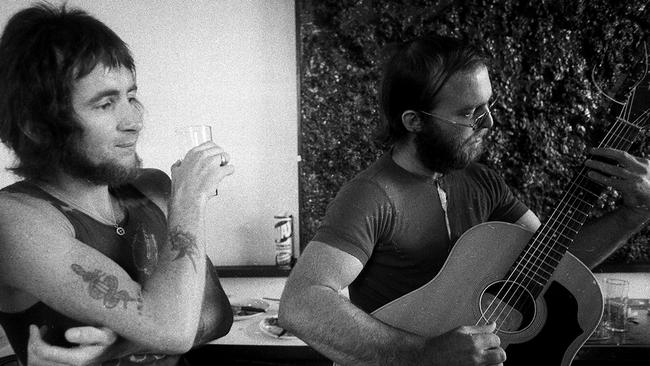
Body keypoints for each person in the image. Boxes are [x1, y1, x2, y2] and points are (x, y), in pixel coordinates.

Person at [279, 34, 650, 365]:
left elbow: (556, 265)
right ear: (414, 121)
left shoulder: (482, 181)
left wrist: (635, 214)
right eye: (469, 113)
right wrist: (424, 353)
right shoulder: (371, 196)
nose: (488, 122)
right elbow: (300, 305)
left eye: (487, 105)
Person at [0, 3, 235, 365]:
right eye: (106, 104)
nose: (134, 121)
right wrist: (189, 202)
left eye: (130, 96)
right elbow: (175, 329)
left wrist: (122, 344)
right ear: (37, 126)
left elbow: (218, 315)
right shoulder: (15, 219)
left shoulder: (152, 187)